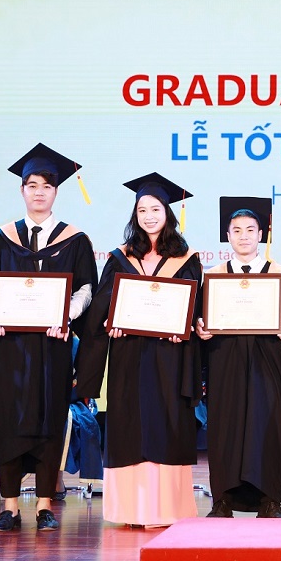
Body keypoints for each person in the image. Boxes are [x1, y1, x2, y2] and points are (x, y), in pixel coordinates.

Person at [0, 144, 97, 533]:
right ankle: (9, 507)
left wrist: (67, 315)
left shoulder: (74, 240)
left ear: (56, 192)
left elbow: (86, 288)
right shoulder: (1, 238)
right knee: (9, 421)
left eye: (47, 186)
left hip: (52, 344)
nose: (39, 192)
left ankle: (46, 505)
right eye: (32, 185)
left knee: (51, 419)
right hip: (9, 347)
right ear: (22, 190)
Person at [75, 173, 202, 527]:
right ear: (135, 215)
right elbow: (102, 306)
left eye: (155, 209)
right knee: (130, 425)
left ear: (167, 213)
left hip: (170, 357)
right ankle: (130, 511)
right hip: (130, 355)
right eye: (142, 210)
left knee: (167, 425)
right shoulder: (121, 257)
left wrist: (185, 328)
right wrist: (109, 322)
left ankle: (167, 510)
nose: (149, 216)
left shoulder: (186, 258)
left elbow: (195, 307)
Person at [195, 197, 281, 518]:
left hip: (265, 359)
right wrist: (200, 327)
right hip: (224, 359)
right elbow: (201, 319)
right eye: (237, 230)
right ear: (227, 235)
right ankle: (223, 499)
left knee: (267, 425)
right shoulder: (212, 277)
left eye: (250, 230)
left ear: (261, 235)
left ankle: (269, 500)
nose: (244, 236)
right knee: (224, 426)